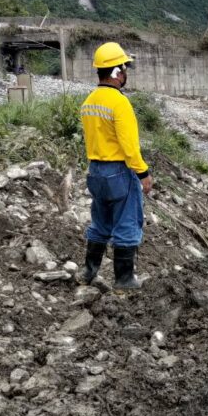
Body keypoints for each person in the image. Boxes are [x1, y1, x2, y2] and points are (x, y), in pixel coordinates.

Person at [80, 42, 153, 290]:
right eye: (123, 68)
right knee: (127, 222)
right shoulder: (119, 103)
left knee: (100, 222)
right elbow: (129, 146)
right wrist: (143, 173)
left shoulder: (90, 101)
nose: (125, 73)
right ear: (116, 72)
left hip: (96, 171)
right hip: (119, 172)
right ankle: (124, 279)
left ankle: (88, 272)